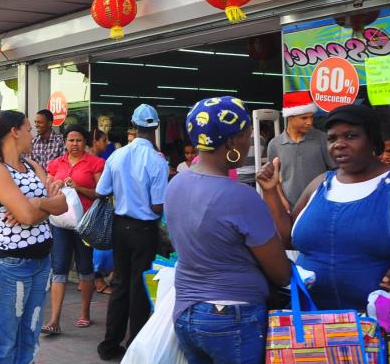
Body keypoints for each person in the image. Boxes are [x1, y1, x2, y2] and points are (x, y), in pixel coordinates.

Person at [167, 97, 290, 363]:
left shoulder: (176, 184)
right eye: (247, 135)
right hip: (233, 317)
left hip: (186, 313)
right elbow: (281, 274)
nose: (249, 142)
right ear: (232, 141)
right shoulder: (240, 196)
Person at [259, 104, 390, 311]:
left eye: (350, 136)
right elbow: (288, 238)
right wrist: (270, 191)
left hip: (388, 324)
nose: (339, 144)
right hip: (315, 323)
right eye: (332, 138)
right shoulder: (320, 184)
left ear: (373, 140)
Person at [0, 110, 67, 364]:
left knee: (30, 334)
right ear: (14, 132)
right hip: (11, 264)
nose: (32, 135)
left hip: (41, 261)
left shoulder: (31, 165)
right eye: (29, 129)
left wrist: (37, 203)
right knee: (6, 338)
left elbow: (62, 205)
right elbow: (28, 216)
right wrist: (39, 207)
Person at [95, 104, 168, 361]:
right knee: (140, 288)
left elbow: (101, 191)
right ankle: (135, 345)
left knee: (120, 285)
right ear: (155, 127)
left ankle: (109, 344)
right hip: (144, 230)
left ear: (134, 127)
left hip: (120, 227)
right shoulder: (158, 161)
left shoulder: (117, 155)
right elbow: (158, 205)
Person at [42, 124, 105, 335]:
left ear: (85, 142)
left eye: (78, 140)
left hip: (85, 223)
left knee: (85, 268)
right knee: (59, 268)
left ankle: (85, 313)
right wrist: (56, 185)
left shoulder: (95, 163)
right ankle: (54, 320)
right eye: (70, 140)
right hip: (60, 223)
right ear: (65, 142)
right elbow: (47, 190)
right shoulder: (55, 164)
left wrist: (78, 188)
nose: (74, 144)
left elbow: (100, 193)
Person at [266, 90, 335, 208]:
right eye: (304, 118)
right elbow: (273, 178)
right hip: (290, 207)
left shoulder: (322, 139)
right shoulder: (275, 144)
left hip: (319, 204)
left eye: (311, 117)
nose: (309, 122)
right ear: (290, 117)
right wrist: (282, 200)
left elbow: (335, 171)